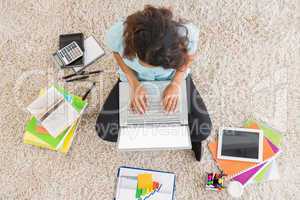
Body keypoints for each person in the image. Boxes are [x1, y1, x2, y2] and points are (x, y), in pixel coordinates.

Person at [96, 5, 212, 161]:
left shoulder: (186, 34)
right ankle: (158, 132)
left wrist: (176, 84)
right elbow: (116, 53)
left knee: (203, 130)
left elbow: (189, 57)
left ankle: (183, 138)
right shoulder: (119, 33)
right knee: (104, 130)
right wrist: (134, 83)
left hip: (173, 79)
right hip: (134, 80)